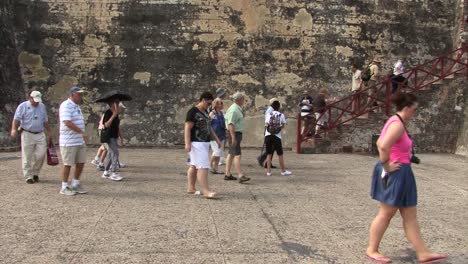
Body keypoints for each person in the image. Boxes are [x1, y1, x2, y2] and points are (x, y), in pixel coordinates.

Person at [367, 92, 447, 264]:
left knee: (410, 215)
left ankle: (422, 252)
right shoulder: (397, 124)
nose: (415, 112)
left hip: (402, 172)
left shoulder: (397, 122)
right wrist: (386, 165)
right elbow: (381, 145)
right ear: (408, 107)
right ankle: (372, 249)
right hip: (396, 173)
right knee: (386, 214)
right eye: (415, 109)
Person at [185, 92, 221, 199]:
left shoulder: (205, 111)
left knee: (194, 165)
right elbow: (187, 127)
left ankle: (191, 188)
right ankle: (206, 191)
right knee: (203, 167)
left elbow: (209, 127)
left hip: (204, 142)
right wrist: (187, 143)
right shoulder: (193, 112)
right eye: (208, 103)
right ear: (203, 100)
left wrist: (217, 139)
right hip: (197, 142)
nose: (209, 106)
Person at [10, 91, 52, 184]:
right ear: (30, 98)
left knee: (41, 155)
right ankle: (28, 176)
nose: (36, 102)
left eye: (38, 101)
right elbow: (16, 119)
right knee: (27, 156)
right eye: (35, 100)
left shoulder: (42, 106)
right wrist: (13, 129)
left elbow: (45, 120)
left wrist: (49, 131)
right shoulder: (23, 106)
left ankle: (35, 172)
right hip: (27, 133)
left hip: (40, 133)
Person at [58, 86, 88, 195]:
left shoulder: (77, 106)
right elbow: (67, 122)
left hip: (78, 141)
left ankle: (75, 183)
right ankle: (64, 186)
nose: (81, 96)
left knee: (81, 162)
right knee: (68, 164)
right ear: (72, 95)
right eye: (79, 94)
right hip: (69, 141)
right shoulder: (66, 105)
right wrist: (81, 131)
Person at [224, 92, 250, 183]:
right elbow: (231, 124)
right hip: (234, 133)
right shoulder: (234, 110)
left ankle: (227, 174)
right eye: (243, 99)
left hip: (236, 133)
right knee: (237, 154)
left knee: (231, 154)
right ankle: (240, 175)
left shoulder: (237, 109)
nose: (244, 101)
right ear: (239, 100)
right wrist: (233, 137)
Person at [264, 101, 292, 177]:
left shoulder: (268, 114)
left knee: (269, 154)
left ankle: (268, 172)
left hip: (268, 135)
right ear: (279, 107)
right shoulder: (281, 115)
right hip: (277, 136)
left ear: (272, 107)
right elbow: (283, 125)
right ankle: (283, 171)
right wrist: (278, 128)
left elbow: (266, 124)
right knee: (280, 154)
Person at [101, 99, 125, 181]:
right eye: (117, 104)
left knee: (110, 154)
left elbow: (117, 127)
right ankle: (114, 172)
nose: (118, 106)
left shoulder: (116, 114)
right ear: (112, 105)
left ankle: (106, 171)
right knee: (115, 153)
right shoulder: (108, 113)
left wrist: (121, 137)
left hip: (114, 136)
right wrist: (113, 116)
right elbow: (106, 125)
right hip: (109, 136)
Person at [257, 97, 279, 168]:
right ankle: (262, 158)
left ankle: (268, 162)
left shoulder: (271, 110)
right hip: (270, 130)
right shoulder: (270, 111)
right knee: (271, 147)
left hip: (270, 129)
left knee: (272, 147)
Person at [209, 98, 226, 174]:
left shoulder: (222, 113)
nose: (222, 104)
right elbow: (208, 124)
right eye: (221, 103)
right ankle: (209, 165)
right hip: (214, 136)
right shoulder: (212, 113)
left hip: (221, 135)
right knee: (217, 152)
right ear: (216, 105)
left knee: (218, 152)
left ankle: (215, 168)